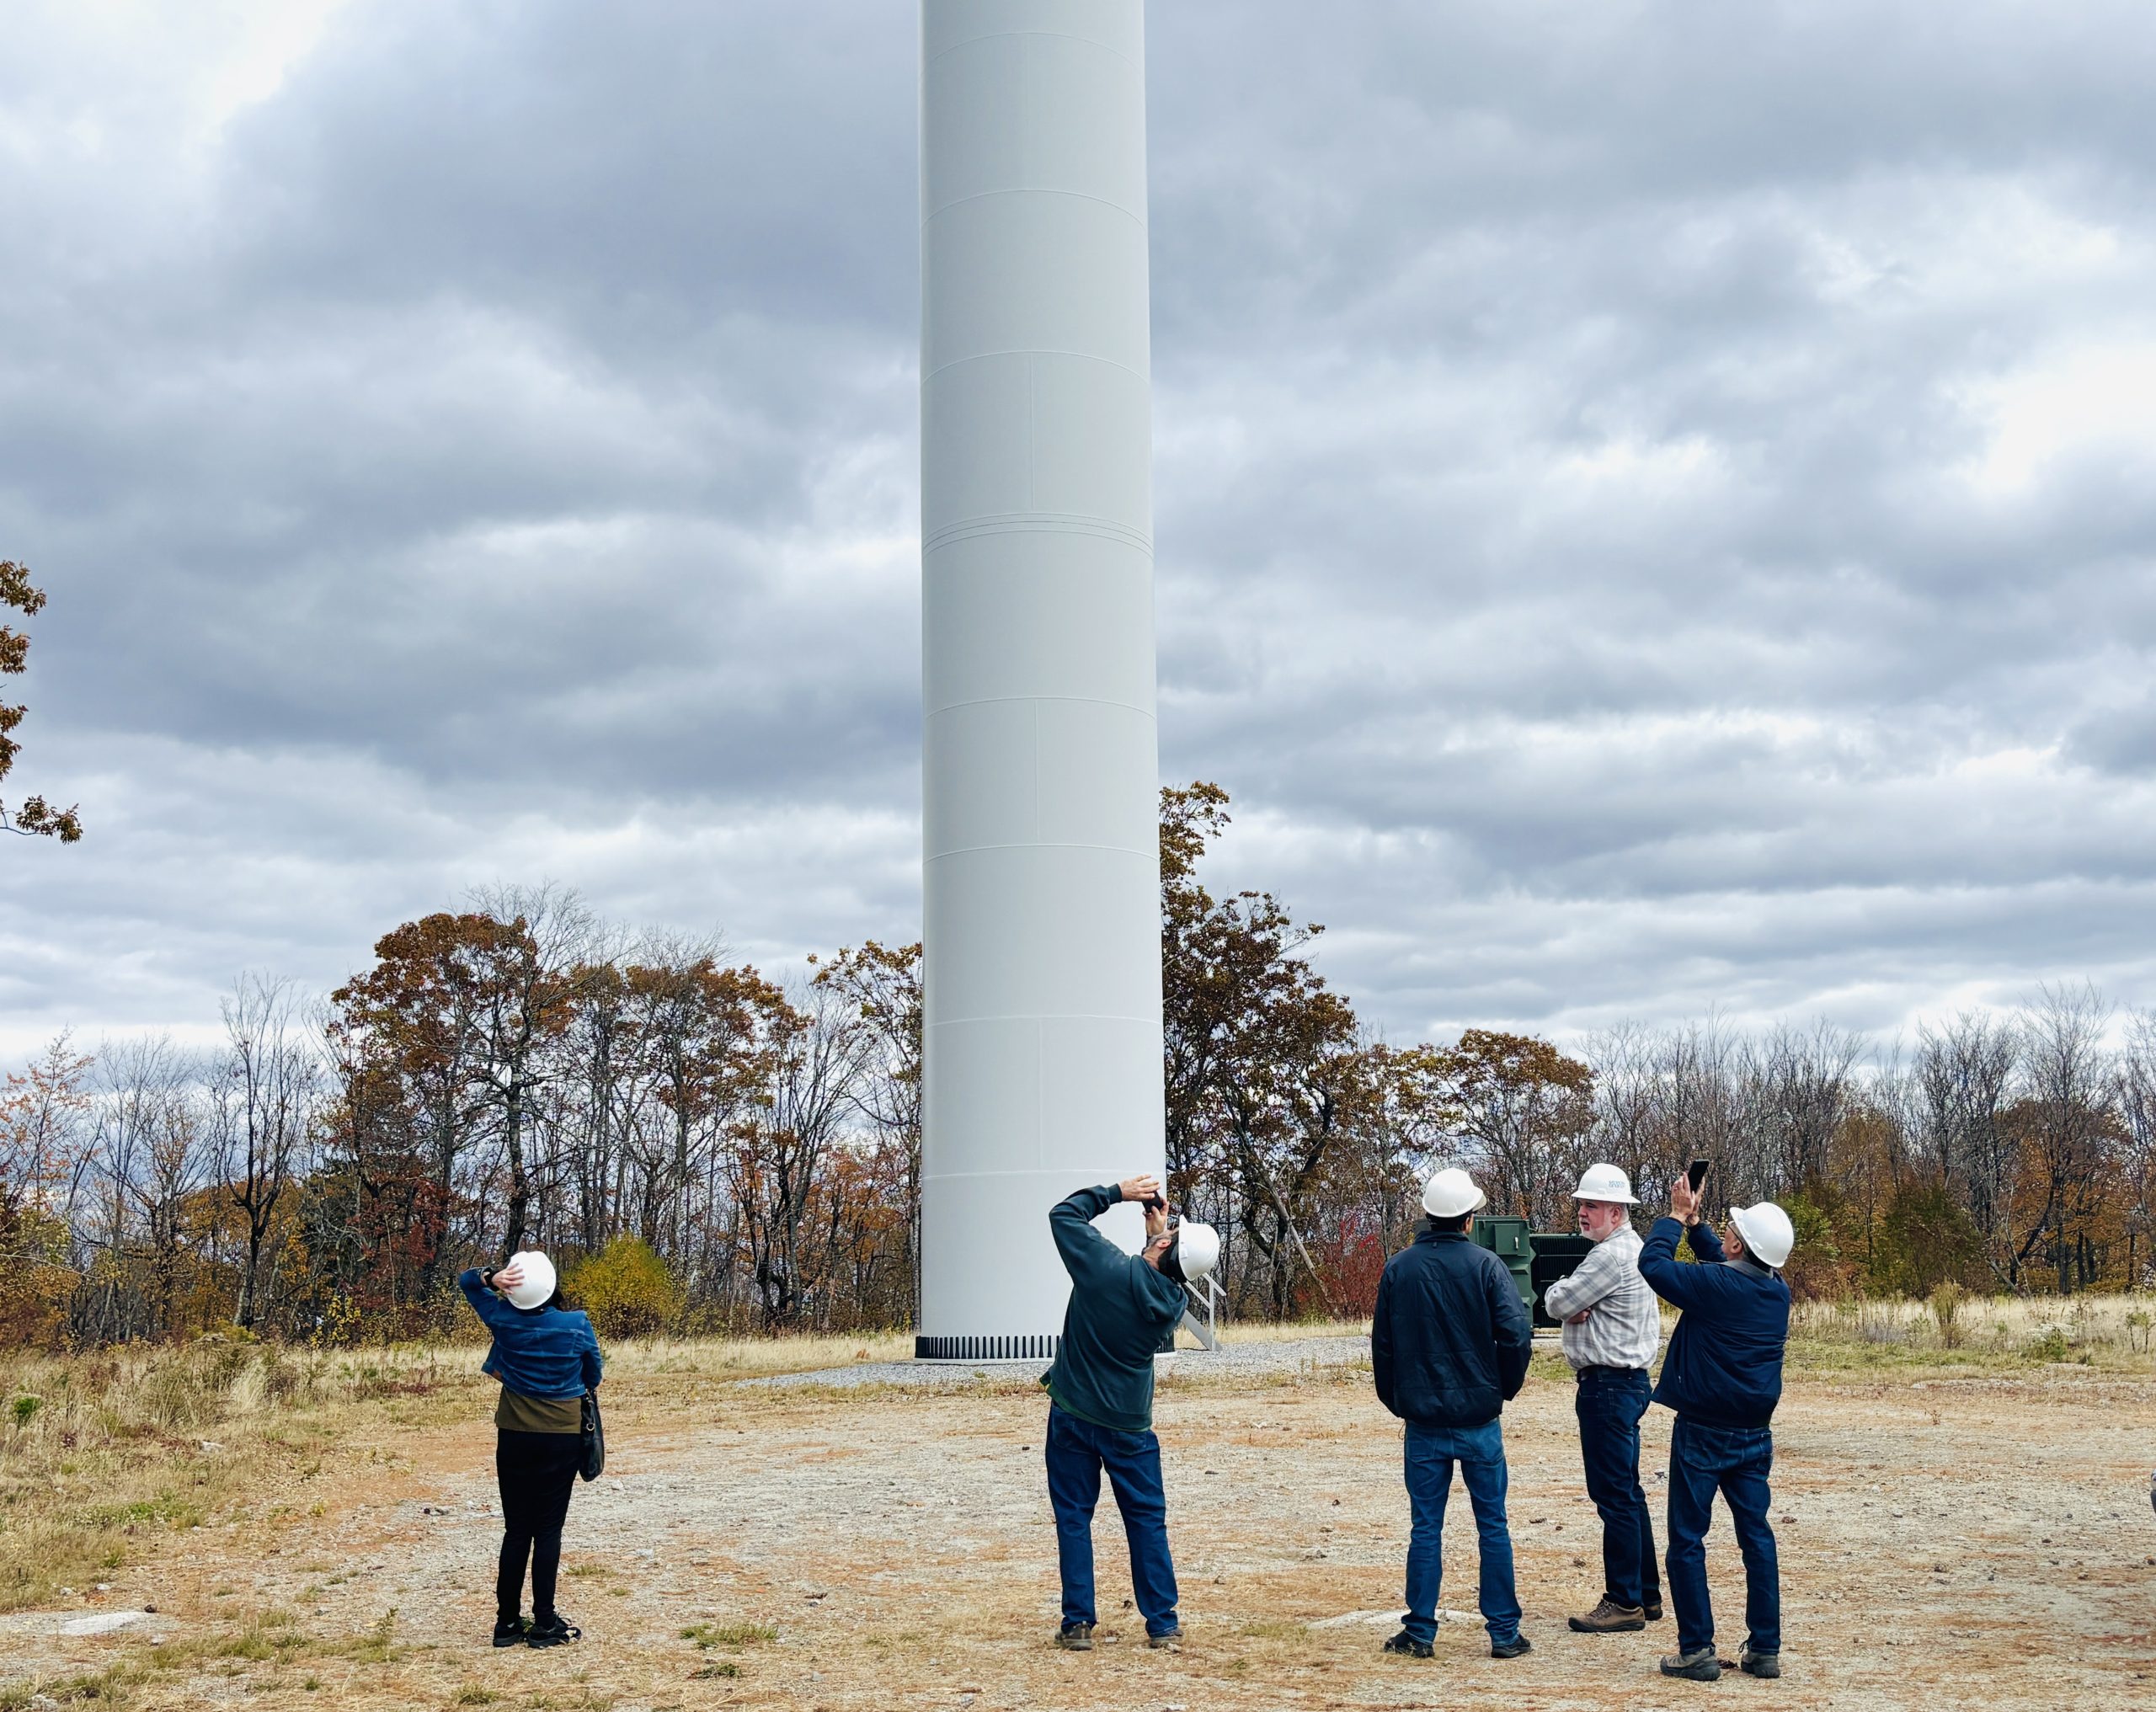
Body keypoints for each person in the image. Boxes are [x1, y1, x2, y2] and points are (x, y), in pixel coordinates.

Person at [1039, 1173, 1219, 1653]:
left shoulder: (1106, 1270)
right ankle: (1162, 1623)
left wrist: (1117, 1193)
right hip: (1130, 1426)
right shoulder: (1171, 1302)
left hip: (1074, 1414)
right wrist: (1156, 1240)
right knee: (1145, 1520)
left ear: (1165, 1249)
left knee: (1074, 1517)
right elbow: (1151, 1278)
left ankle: (1078, 1623)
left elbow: (1064, 1214)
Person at [1369, 1166, 1534, 1661]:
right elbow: (1516, 1336)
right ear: (1469, 1218)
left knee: (1426, 1528)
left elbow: (1383, 1346)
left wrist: (1399, 1401)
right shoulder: (1487, 1266)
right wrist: (1501, 1389)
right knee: (1493, 1524)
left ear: (1428, 1214)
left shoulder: (1399, 1268)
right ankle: (1504, 1632)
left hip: (1423, 1422)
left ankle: (1420, 1629)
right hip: (1480, 1420)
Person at [1636, 1174, 1796, 1683]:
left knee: (1686, 1539)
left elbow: (1653, 1265)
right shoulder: (1776, 1292)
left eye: (1731, 1231)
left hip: (1704, 1429)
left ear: (1738, 1245)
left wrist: (1675, 1217)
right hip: (1754, 1432)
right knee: (1757, 1538)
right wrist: (1702, 1227)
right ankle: (1764, 1648)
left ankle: (1697, 1649)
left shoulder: (1719, 1287)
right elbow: (1724, 1266)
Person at [458, 1251, 604, 1650]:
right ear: (553, 1285)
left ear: (514, 1291)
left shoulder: (502, 1319)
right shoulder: (576, 1324)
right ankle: (544, 1622)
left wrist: (491, 1278)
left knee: (516, 1529)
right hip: (562, 1438)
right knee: (548, 1530)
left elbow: (467, 1282)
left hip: (514, 1436)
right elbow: (595, 1374)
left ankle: (506, 1623)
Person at [1542, 1162, 1664, 1634]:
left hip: (1608, 1386)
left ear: (1617, 1212)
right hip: (1625, 1383)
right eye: (1581, 1204)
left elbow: (1554, 1302)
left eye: (1592, 1205)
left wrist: (1568, 1301)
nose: (1582, 1213)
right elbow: (1565, 1302)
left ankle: (1625, 1601)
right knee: (1628, 1493)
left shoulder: (1608, 1258)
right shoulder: (1628, 1250)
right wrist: (1571, 1301)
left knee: (1613, 1495)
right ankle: (1646, 1596)